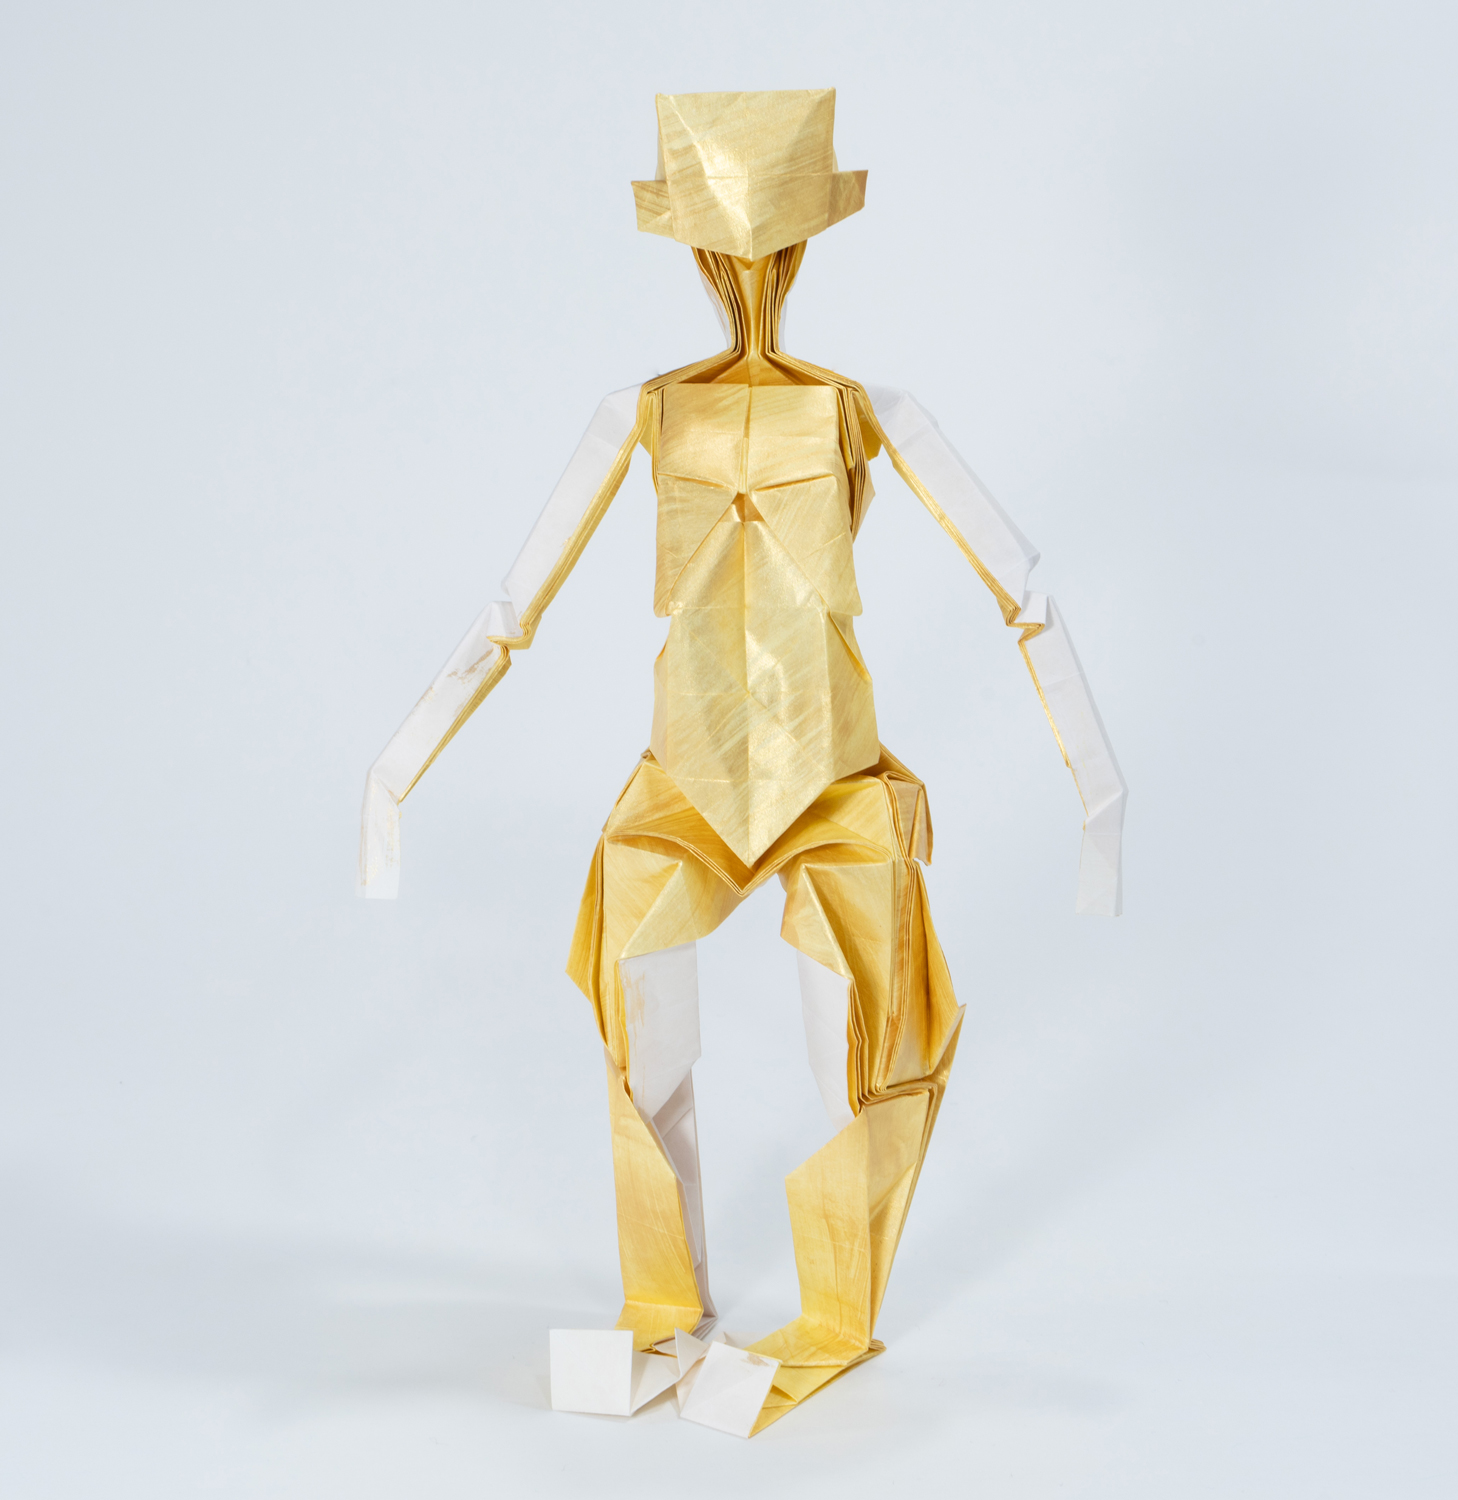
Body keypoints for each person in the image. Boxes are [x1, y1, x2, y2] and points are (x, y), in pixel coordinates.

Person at [359, 89, 1125, 1433]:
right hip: (687, 780)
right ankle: (663, 1307)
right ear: (699, 254)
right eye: (729, 249)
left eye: (769, 248)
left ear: (804, 247)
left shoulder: (864, 408)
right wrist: (394, 772)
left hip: (832, 781)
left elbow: (1023, 584)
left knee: (871, 1052)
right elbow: (513, 606)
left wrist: (1099, 794)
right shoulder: (644, 410)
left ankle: (834, 1318)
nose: (750, 275)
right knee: (632, 1007)